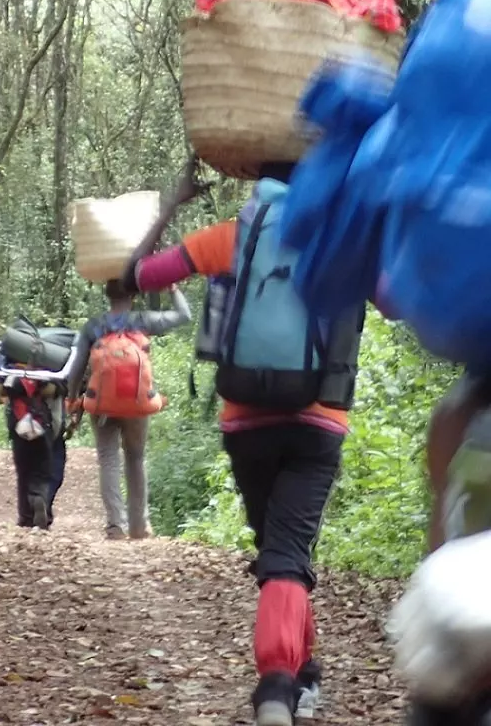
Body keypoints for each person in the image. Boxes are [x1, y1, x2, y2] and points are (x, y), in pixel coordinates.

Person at [120, 158, 362, 726]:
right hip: (318, 420)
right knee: (286, 554)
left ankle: (302, 673)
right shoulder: (344, 243)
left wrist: (173, 202)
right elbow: (400, 301)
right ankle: (277, 684)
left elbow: (136, 277)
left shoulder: (229, 237)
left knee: (279, 552)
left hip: (246, 422)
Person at [67, 281, 192, 540]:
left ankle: (116, 525)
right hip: (136, 403)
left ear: (107, 294)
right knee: (135, 458)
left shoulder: (94, 326)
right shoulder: (142, 320)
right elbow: (184, 315)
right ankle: (139, 525)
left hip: (101, 404)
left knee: (108, 459)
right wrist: (172, 288)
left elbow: (76, 367)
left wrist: (72, 399)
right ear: (134, 296)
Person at [0, 376, 66, 530]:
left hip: (18, 427)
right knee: (43, 471)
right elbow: (61, 387)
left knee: (23, 473)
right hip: (43, 427)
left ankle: (26, 517)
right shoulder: (49, 369)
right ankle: (39, 498)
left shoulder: (9, 371)